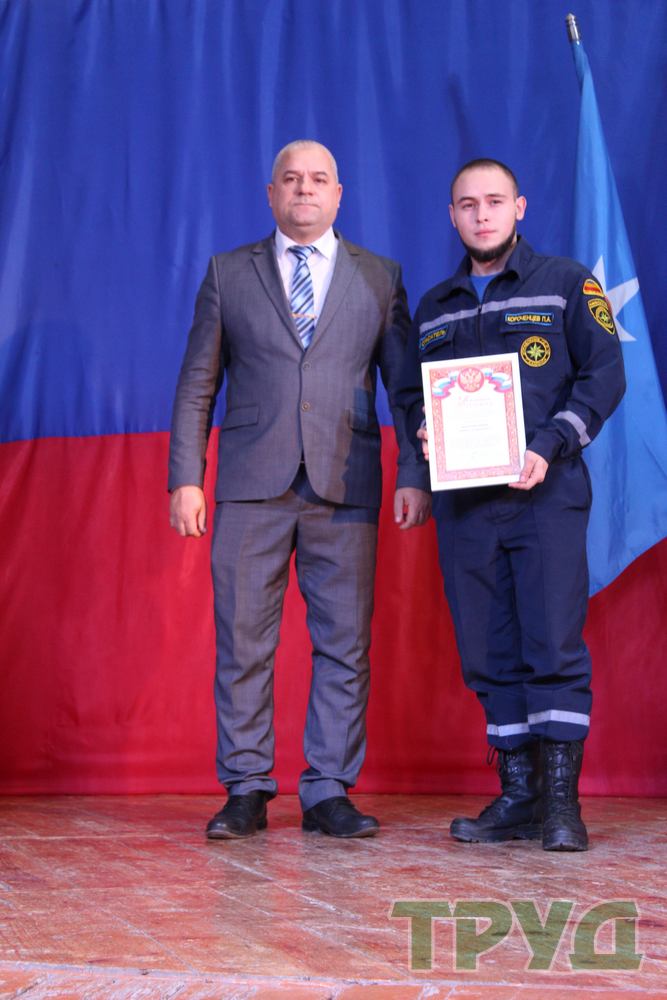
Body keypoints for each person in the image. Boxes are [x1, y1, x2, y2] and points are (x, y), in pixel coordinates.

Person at [169, 139, 430, 840]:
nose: (304, 190)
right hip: (249, 486)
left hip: (346, 484)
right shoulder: (228, 273)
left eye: (318, 180)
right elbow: (197, 384)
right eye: (291, 179)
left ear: (339, 195)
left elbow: (405, 390)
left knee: (344, 644)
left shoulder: (380, 276)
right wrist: (187, 478)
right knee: (242, 643)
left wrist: (414, 473)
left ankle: (328, 790)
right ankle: (246, 787)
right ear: (271, 193)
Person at [398, 158, 625, 851]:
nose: (481, 214)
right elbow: (411, 397)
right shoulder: (434, 307)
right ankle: (519, 796)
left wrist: (551, 443)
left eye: (494, 201)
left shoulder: (565, 284)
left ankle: (561, 807)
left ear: (519, 208)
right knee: (487, 650)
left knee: (550, 643)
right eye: (467, 204)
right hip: (465, 508)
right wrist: (423, 433)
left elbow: (604, 375)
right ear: (452, 215)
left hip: (545, 497)